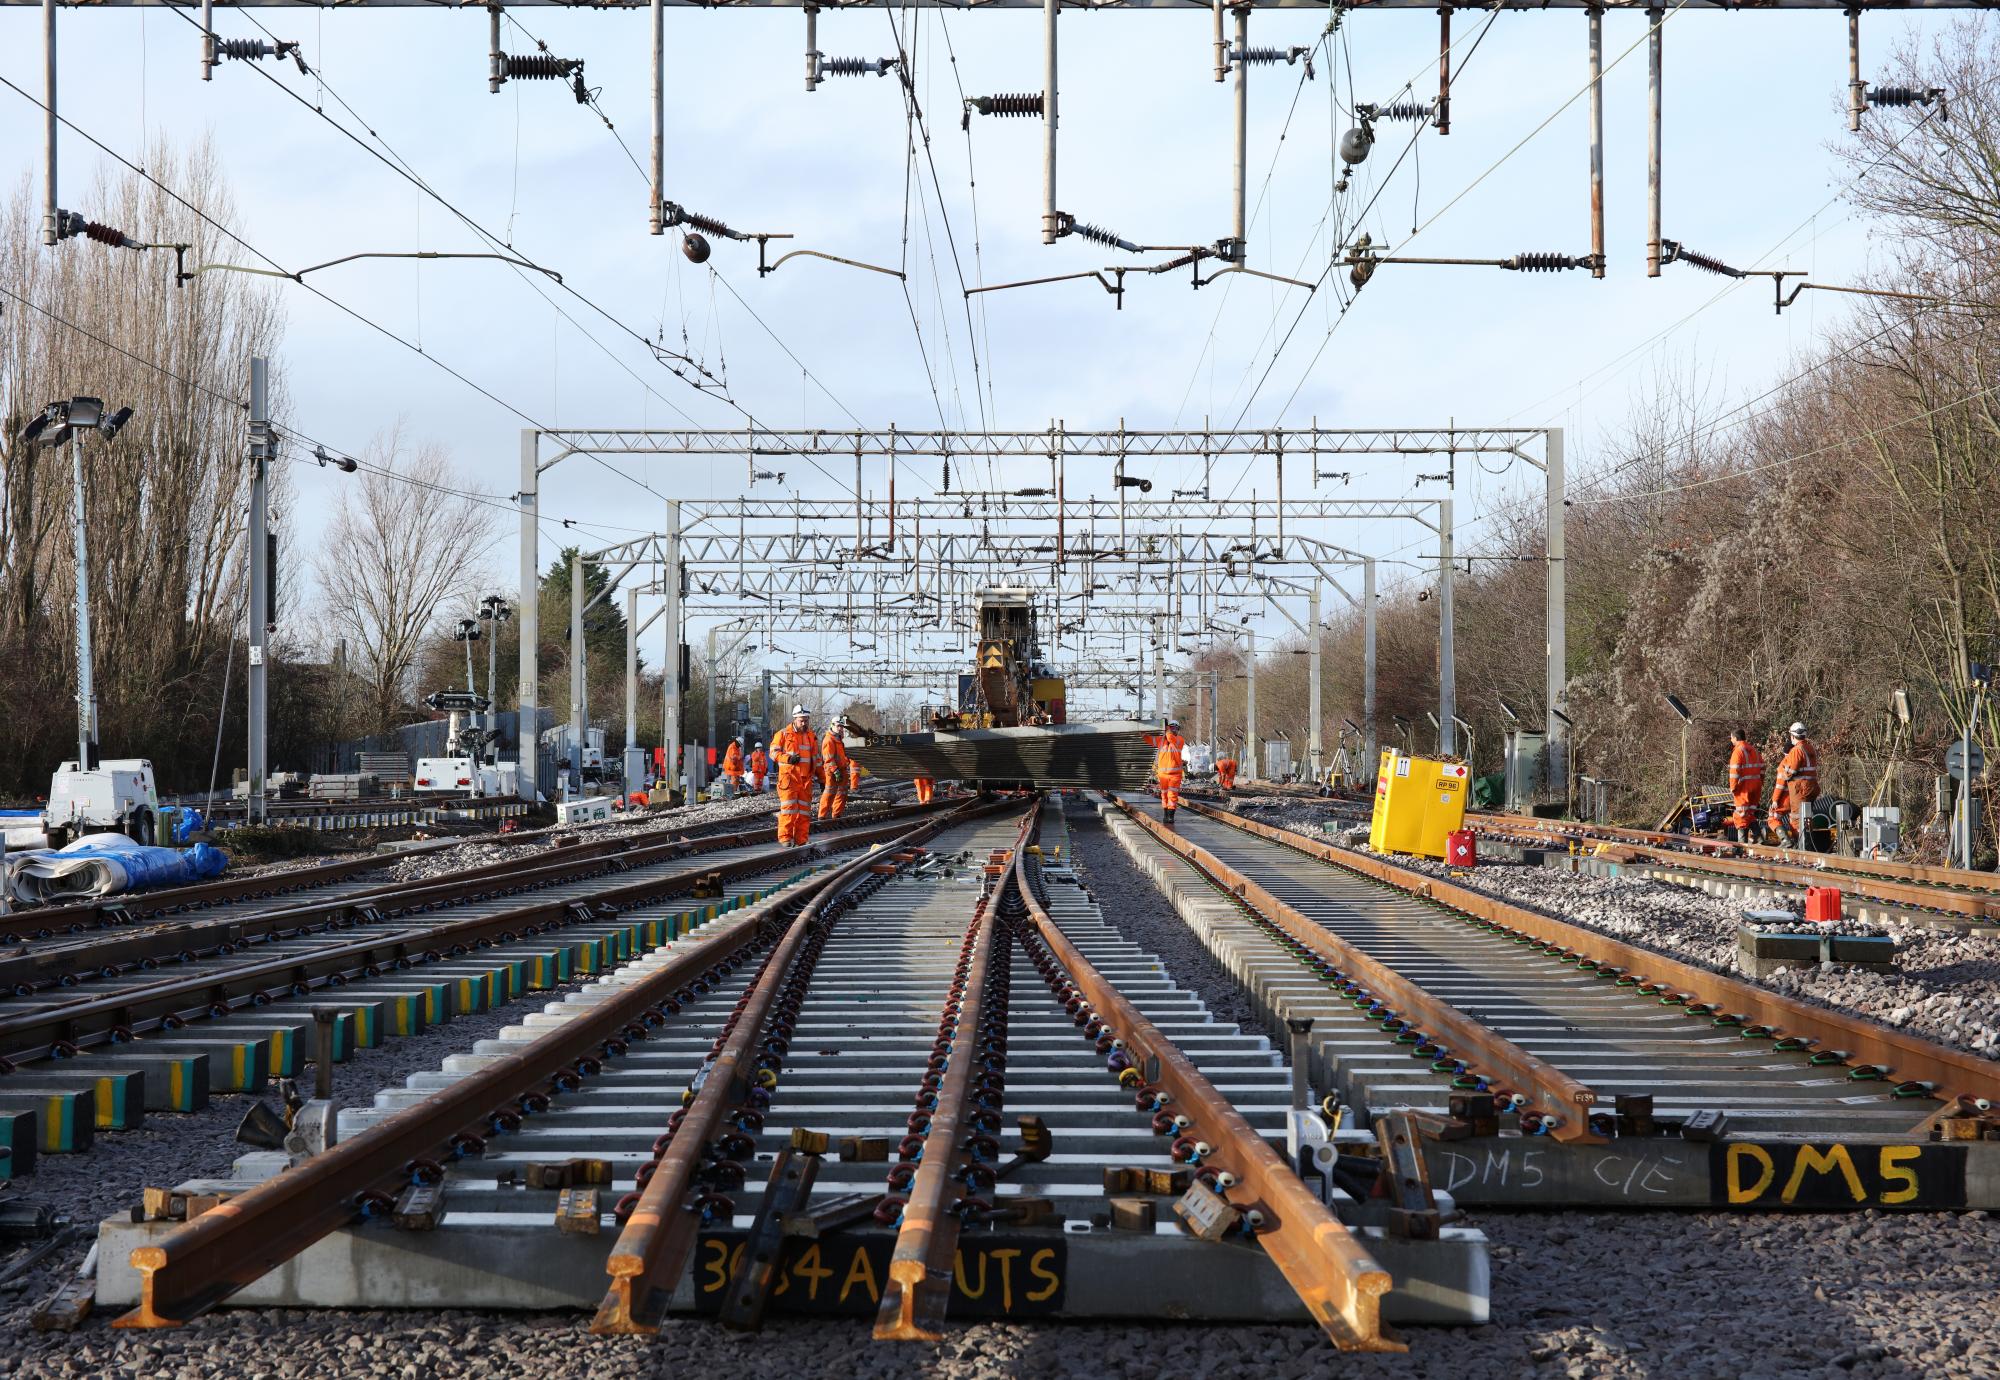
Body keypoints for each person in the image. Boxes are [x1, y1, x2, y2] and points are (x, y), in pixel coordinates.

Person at [769, 707, 820, 846]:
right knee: (788, 810)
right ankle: (785, 838)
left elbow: (816, 759)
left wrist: (822, 778)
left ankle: (801, 840)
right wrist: (787, 759)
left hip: (806, 781)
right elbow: (773, 753)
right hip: (789, 779)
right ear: (795, 719)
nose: (804, 723)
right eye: (801, 720)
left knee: (804, 813)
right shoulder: (783, 734)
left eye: (806, 720)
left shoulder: (811, 736)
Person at [1769, 721, 1821, 847]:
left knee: (1796, 819)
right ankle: (1805, 844)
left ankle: (1800, 845)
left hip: (1800, 789)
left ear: (1792, 736)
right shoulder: (1810, 748)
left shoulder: (1796, 751)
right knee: (1806, 817)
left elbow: (1788, 773)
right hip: (1812, 787)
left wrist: (1775, 799)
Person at [1725, 728, 1765, 843]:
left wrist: (1733, 787)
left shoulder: (1737, 752)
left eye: (1731, 737)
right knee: (1750, 813)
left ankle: (1742, 844)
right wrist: (1760, 782)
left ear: (1736, 738)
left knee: (1741, 814)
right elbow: (1762, 768)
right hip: (1756, 787)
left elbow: (1734, 772)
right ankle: (1758, 837)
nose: (1731, 740)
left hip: (1743, 788)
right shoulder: (1754, 750)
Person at [1153, 718, 1187, 826]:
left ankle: (1170, 817)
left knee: (1172, 795)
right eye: (1171, 728)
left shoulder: (1179, 740)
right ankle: (1165, 815)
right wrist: (1142, 733)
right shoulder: (1162, 740)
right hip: (1163, 775)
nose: (1173, 730)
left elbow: (1170, 737)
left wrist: (1167, 728)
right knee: (1164, 795)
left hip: (1174, 775)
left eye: (1175, 728)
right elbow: (1151, 739)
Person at [818, 718, 853, 820]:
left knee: (842, 792)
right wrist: (835, 770)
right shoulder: (829, 740)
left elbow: (843, 755)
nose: (840, 728)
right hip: (832, 771)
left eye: (841, 726)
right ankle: (822, 816)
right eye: (838, 726)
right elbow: (828, 758)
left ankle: (836, 815)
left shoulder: (839, 739)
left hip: (841, 769)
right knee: (829, 792)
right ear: (832, 725)